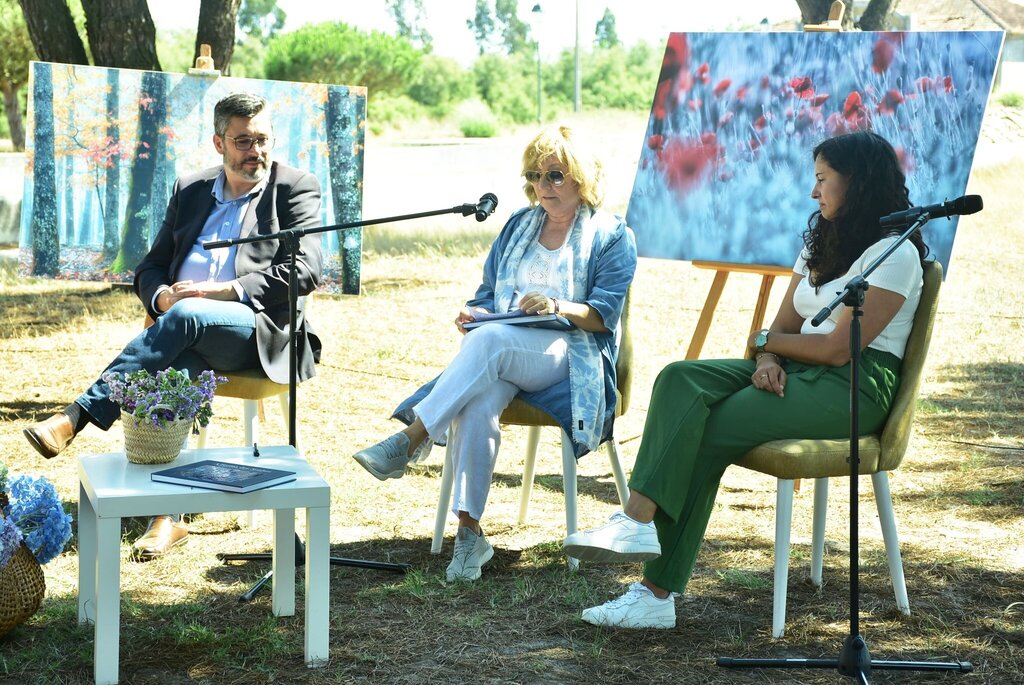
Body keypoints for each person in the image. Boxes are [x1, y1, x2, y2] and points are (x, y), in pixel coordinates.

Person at [563, 130, 928, 629]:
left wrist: (768, 345)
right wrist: (764, 359)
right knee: (678, 380)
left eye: (823, 180)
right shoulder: (821, 242)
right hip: (798, 369)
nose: (813, 192)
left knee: (709, 429)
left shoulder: (896, 254)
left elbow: (837, 348)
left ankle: (654, 590)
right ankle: (635, 521)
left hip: (853, 388)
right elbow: (778, 330)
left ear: (858, 183)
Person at [22, 92, 323, 559]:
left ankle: (76, 417)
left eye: (262, 139)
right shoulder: (191, 188)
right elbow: (151, 266)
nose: (255, 151)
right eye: (243, 141)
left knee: (185, 318)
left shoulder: (294, 187)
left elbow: (305, 272)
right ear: (219, 143)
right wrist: (161, 294)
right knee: (174, 358)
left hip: (259, 333)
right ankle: (168, 515)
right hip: (187, 330)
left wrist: (215, 293)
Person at [352, 124, 637, 582]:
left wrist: (557, 305)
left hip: (571, 352)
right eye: (534, 176)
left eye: (555, 176)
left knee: (488, 342)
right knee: (479, 397)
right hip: (506, 348)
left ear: (582, 178)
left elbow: (603, 316)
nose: (542, 187)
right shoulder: (519, 226)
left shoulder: (612, 234)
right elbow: (488, 295)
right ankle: (469, 535)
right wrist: (474, 311)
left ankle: (411, 439)